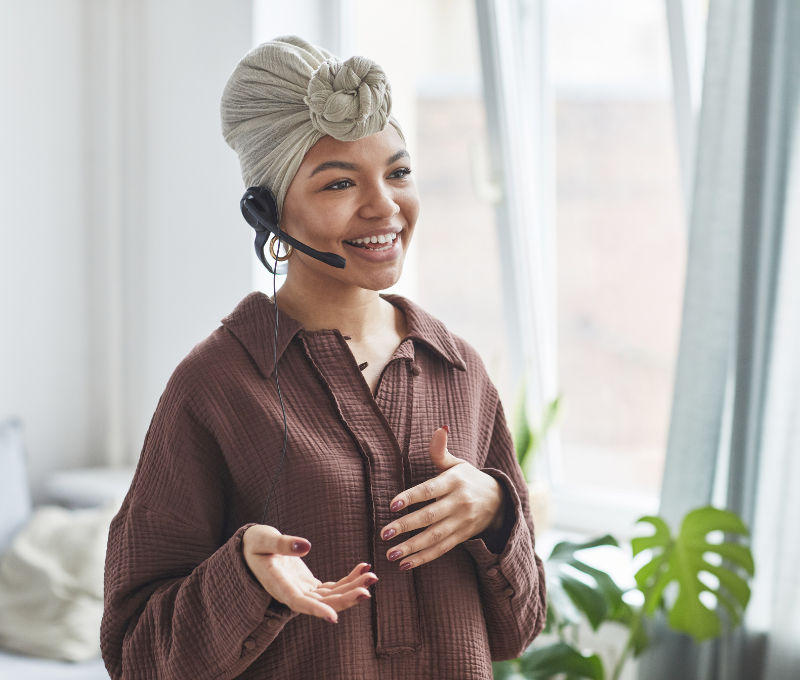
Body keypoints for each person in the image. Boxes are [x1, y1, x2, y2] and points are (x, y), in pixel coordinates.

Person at [101, 36, 545, 680]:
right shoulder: (215, 387)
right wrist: (243, 579)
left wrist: (497, 514)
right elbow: (137, 656)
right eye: (340, 182)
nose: (385, 207)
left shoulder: (459, 370)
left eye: (397, 172)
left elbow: (516, 631)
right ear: (269, 211)